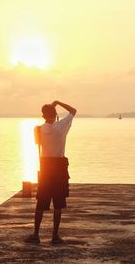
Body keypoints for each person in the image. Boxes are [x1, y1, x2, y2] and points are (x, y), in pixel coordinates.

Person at [33, 100, 76, 244]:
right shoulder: (62, 125)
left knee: (41, 202)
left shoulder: (38, 129)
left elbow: (38, 144)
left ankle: (36, 234)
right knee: (58, 203)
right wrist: (57, 102)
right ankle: (55, 235)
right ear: (55, 114)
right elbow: (73, 111)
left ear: (43, 115)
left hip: (45, 167)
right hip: (59, 167)